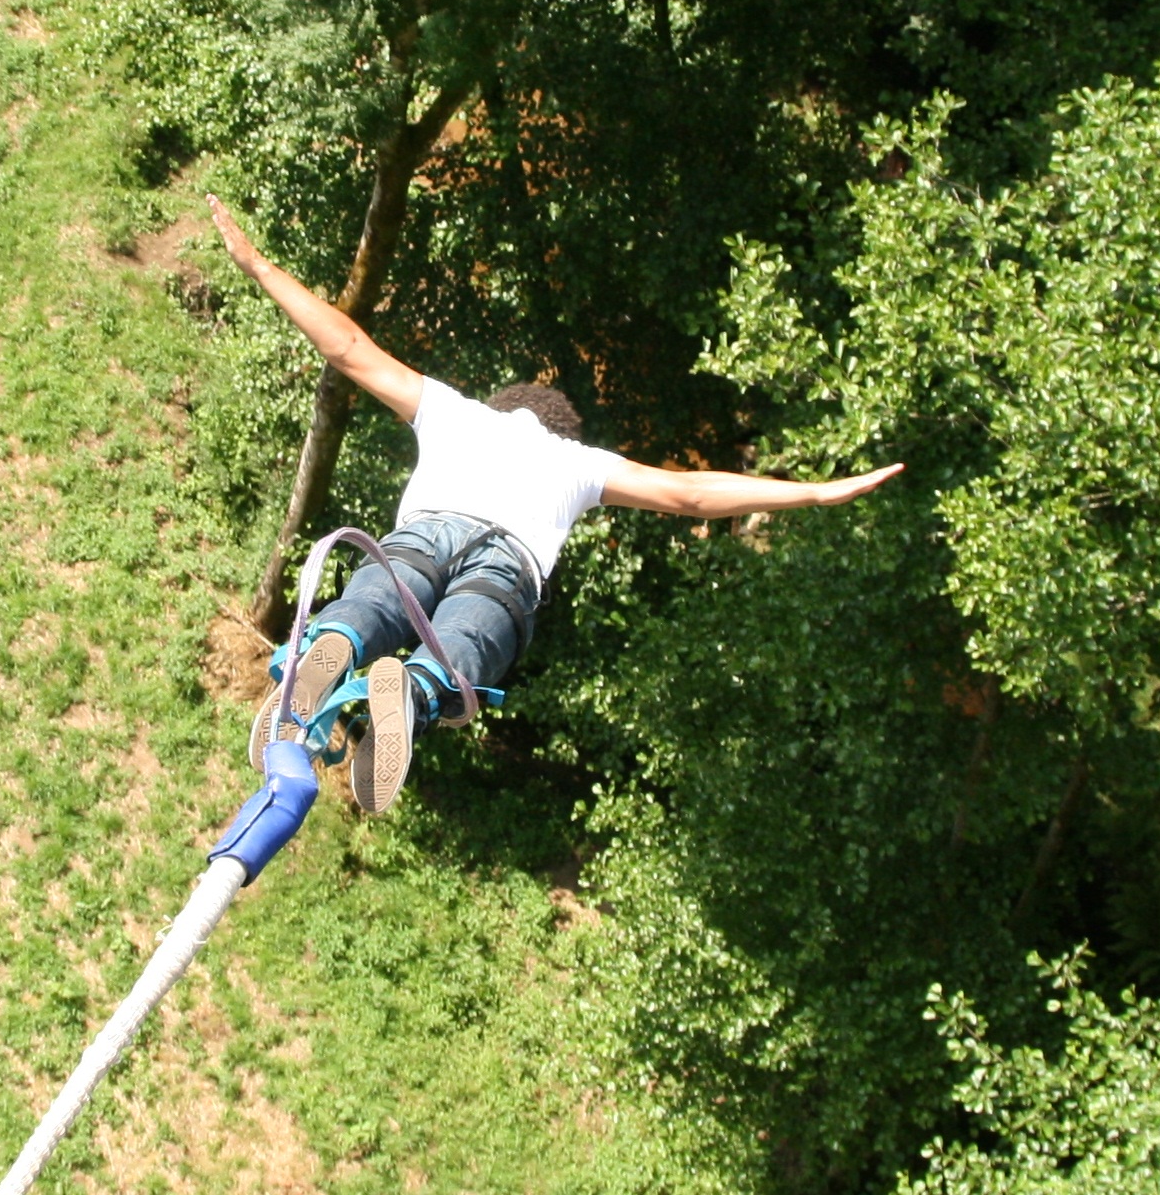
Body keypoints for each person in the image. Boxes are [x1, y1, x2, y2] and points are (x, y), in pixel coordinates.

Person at [209, 196, 904, 813]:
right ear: (561, 428)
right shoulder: (579, 463)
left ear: (501, 407)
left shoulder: (456, 413)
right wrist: (812, 491)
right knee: (465, 644)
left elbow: (351, 347)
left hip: (427, 532)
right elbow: (693, 494)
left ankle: (337, 640)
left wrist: (260, 265)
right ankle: (417, 689)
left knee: (379, 597)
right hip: (507, 563)